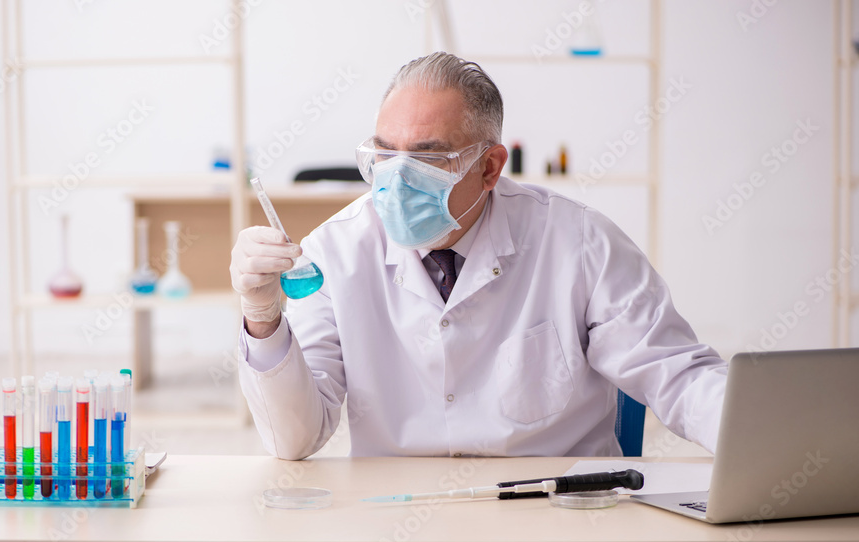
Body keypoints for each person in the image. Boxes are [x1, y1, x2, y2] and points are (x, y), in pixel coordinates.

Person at [231, 51, 727, 466]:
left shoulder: (579, 242)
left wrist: (769, 441)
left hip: (547, 526)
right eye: (384, 154)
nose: (397, 180)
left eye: (426, 159)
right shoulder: (335, 252)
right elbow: (294, 439)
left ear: (489, 168)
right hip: (397, 530)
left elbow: (678, 376)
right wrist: (262, 318)